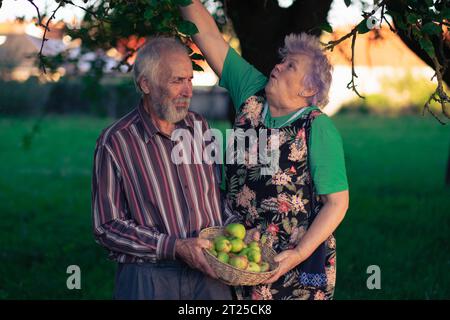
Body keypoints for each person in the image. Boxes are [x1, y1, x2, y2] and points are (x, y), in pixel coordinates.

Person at [181, 1, 349, 300]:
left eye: (290, 66)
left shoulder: (317, 128)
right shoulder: (251, 93)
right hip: (237, 257)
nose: (278, 65)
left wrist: (298, 254)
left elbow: (336, 203)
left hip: (295, 269)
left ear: (308, 89)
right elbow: (207, 34)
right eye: (282, 60)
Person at [91, 37, 232, 300]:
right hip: (149, 278)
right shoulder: (116, 141)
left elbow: (216, 198)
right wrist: (174, 247)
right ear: (146, 84)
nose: (188, 91)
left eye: (190, 80)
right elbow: (106, 226)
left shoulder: (200, 127)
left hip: (210, 274)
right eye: (177, 80)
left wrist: (238, 228)